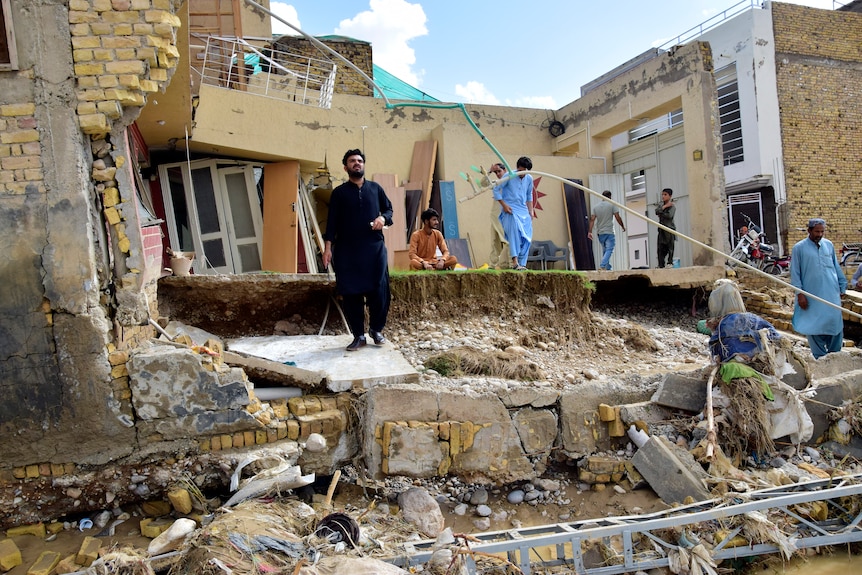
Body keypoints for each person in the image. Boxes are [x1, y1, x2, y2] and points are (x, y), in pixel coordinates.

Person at [322, 149, 393, 351]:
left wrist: (383, 218)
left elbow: (389, 210)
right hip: (347, 250)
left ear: (364, 165)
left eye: (360, 160)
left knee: (380, 290)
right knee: (351, 293)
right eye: (352, 161)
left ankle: (376, 330)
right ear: (346, 167)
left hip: (374, 249)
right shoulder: (339, 193)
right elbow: (332, 224)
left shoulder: (376, 189)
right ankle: (359, 336)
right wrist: (328, 249)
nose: (357, 163)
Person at [790, 218, 848, 359]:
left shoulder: (828, 245)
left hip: (831, 293)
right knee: (813, 325)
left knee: (835, 324)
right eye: (817, 231)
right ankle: (820, 357)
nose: (820, 234)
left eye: (822, 231)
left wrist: (842, 286)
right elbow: (795, 273)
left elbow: (835, 267)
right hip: (811, 294)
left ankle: (834, 355)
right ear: (809, 231)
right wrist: (800, 294)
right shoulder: (799, 248)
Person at [493, 157, 535, 270]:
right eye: (521, 171)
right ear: (517, 168)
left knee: (527, 237)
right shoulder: (508, 176)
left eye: (525, 171)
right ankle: (515, 262)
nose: (523, 174)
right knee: (514, 234)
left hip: (523, 211)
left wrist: (531, 210)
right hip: (510, 210)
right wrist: (504, 205)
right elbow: (496, 189)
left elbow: (529, 194)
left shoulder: (529, 178)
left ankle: (522, 263)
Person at [588, 190, 626, 270]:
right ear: (610, 196)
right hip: (609, 231)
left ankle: (608, 268)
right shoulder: (612, 205)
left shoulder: (596, 207)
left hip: (600, 232)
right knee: (609, 249)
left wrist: (590, 231)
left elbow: (592, 220)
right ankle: (602, 265)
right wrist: (622, 226)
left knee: (605, 250)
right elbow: (617, 217)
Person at [487, 164, 510, 268]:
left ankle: (511, 264)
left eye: (499, 171)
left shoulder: (510, 182)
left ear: (505, 170)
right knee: (494, 242)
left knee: (507, 241)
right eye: (495, 172)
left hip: (505, 217)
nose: (497, 174)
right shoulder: (496, 184)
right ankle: (492, 265)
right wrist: (489, 171)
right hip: (494, 217)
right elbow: (483, 183)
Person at [654, 188, 676, 268]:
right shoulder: (661, 204)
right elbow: (657, 211)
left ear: (670, 196)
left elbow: (669, 216)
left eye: (665, 195)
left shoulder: (672, 206)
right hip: (661, 229)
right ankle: (660, 264)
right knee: (660, 247)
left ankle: (670, 263)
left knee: (670, 246)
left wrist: (661, 213)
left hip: (669, 229)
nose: (663, 196)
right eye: (662, 194)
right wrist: (664, 207)